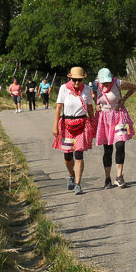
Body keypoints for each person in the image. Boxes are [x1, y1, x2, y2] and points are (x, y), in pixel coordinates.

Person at [52, 67, 95, 195]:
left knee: (79, 155)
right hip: (67, 125)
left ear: (83, 79)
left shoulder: (87, 89)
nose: (77, 83)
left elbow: (90, 108)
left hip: (82, 124)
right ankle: (71, 174)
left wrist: (93, 125)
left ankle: (78, 184)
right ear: (70, 78)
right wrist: (55, 126)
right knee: (67, 156)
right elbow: (59, 107)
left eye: (79, 80)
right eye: (74, 80)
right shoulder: (64, 88)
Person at [92, 68, 136, 189]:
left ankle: (119, 176)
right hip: (104, 118)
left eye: (108, 81)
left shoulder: (118, 83)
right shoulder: (96, 84)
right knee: (107, 149)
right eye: (104, 82)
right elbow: (93, 95)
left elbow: (134, 86)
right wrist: (96, 105)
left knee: (120, 144)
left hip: (118, 116)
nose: (106, 84)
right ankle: (107, 178)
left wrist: (124, 99)